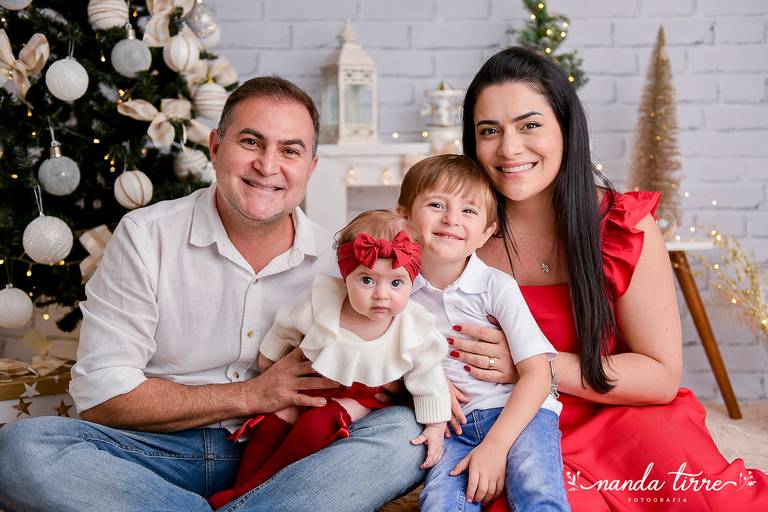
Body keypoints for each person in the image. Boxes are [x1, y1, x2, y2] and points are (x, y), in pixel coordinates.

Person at [0, 77, 427, 512]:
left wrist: (407, 383)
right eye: (251, 142)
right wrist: (252, 395)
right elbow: (102, 395)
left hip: (291, 457)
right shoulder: (147, 236)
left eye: (290, 150)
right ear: (216, 147)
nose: (267, 165)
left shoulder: (342, 265)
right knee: (20, 449)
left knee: (406, 434)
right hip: (156, 455)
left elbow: (397, 349)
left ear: (310, 168)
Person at [444, 46, 768, 511]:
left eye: (529, 125)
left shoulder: (621, 227)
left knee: (711, 501)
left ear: (566, 129)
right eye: (489, 130)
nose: (509, 148)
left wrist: (530, 364)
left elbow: (659, 376)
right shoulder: (458, 236)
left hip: (623, 412)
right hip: (519, 425)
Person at [209, 210, 451, 508]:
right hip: (314, 383)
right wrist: (269, 360)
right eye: (367, 280)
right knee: (273, 421)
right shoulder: (323, 301)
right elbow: (286, 326)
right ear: (346, 277)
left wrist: (435, 426)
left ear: (412, 281)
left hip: (361, 397)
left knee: (317, 424)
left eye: (396, 283)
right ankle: (243, 488)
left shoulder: (413, 327)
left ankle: (250, 493)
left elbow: (430, 381)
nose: (382, 295)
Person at [396, 154, 569, 511]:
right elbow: (379, 353)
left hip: (519, 414)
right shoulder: (396, 290)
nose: (451, 219)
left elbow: (538, 374)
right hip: (453, 427)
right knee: (440, 503)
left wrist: (495, 447)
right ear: (403, 217)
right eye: (436, 205)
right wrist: (424, 379)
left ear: (486, 232)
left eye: (468, 211)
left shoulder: (495, 286)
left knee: (538, 491)